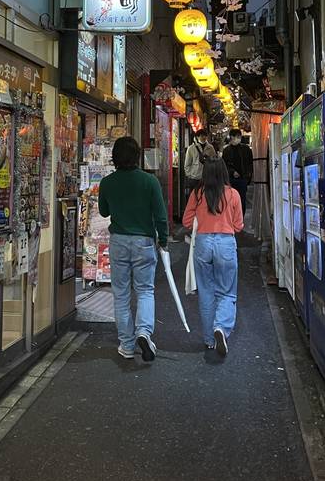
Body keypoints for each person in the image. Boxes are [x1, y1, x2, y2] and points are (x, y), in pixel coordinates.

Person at [98, 136, 168, 363]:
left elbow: (103, 211)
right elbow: (160, 215)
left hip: (118, 241)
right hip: (144, 242)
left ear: (115, 157)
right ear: (137, 156)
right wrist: (164, 239)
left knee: (121, 295)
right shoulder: (150, 182)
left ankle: (127, 345)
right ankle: (144, 333)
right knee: (145, 290)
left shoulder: (108, 182)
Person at [182, 158, 244, 357]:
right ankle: (221, 328)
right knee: (226, 292)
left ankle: (209, 339)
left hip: (203, 243)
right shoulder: (233, 194)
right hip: (225, 243)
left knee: (206, 292)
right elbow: (238, 226)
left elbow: (186, 221)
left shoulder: (198, 193)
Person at [222, 128, 254, 216]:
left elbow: (250, 163)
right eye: (236, 136)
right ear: (231, 137)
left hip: (243, 179)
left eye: (239, 137)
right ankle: (231, 218)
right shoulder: (226, 150)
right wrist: (232, 172)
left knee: (242, 200)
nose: (238, 139)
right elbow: (224, 166)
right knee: (230, 200)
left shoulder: (246, 149)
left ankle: (240, 220)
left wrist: (248, 178)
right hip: (230, 180)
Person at [184, 128, 216, 197]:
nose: (204, 137)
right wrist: (191, 175)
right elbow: (187, 164)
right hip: (195, 178)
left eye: (205, 136)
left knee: (206, 197)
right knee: (194, 197)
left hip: (207, 177)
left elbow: (214, 162)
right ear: (197, 137)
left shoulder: (211, 148)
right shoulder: (191, 148)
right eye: (201, 136)